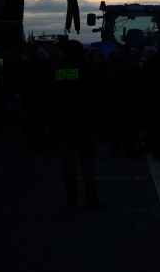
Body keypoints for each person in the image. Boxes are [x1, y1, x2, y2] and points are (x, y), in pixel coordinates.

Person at [50, 40, 100, 208]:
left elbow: (52, 96)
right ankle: (91, 200)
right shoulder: (87, 69)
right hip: (84, 123)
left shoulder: (57, 69)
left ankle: (71, 200)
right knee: (87, 164)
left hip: (64, 123)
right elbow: (94, 96)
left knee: (68, 165)